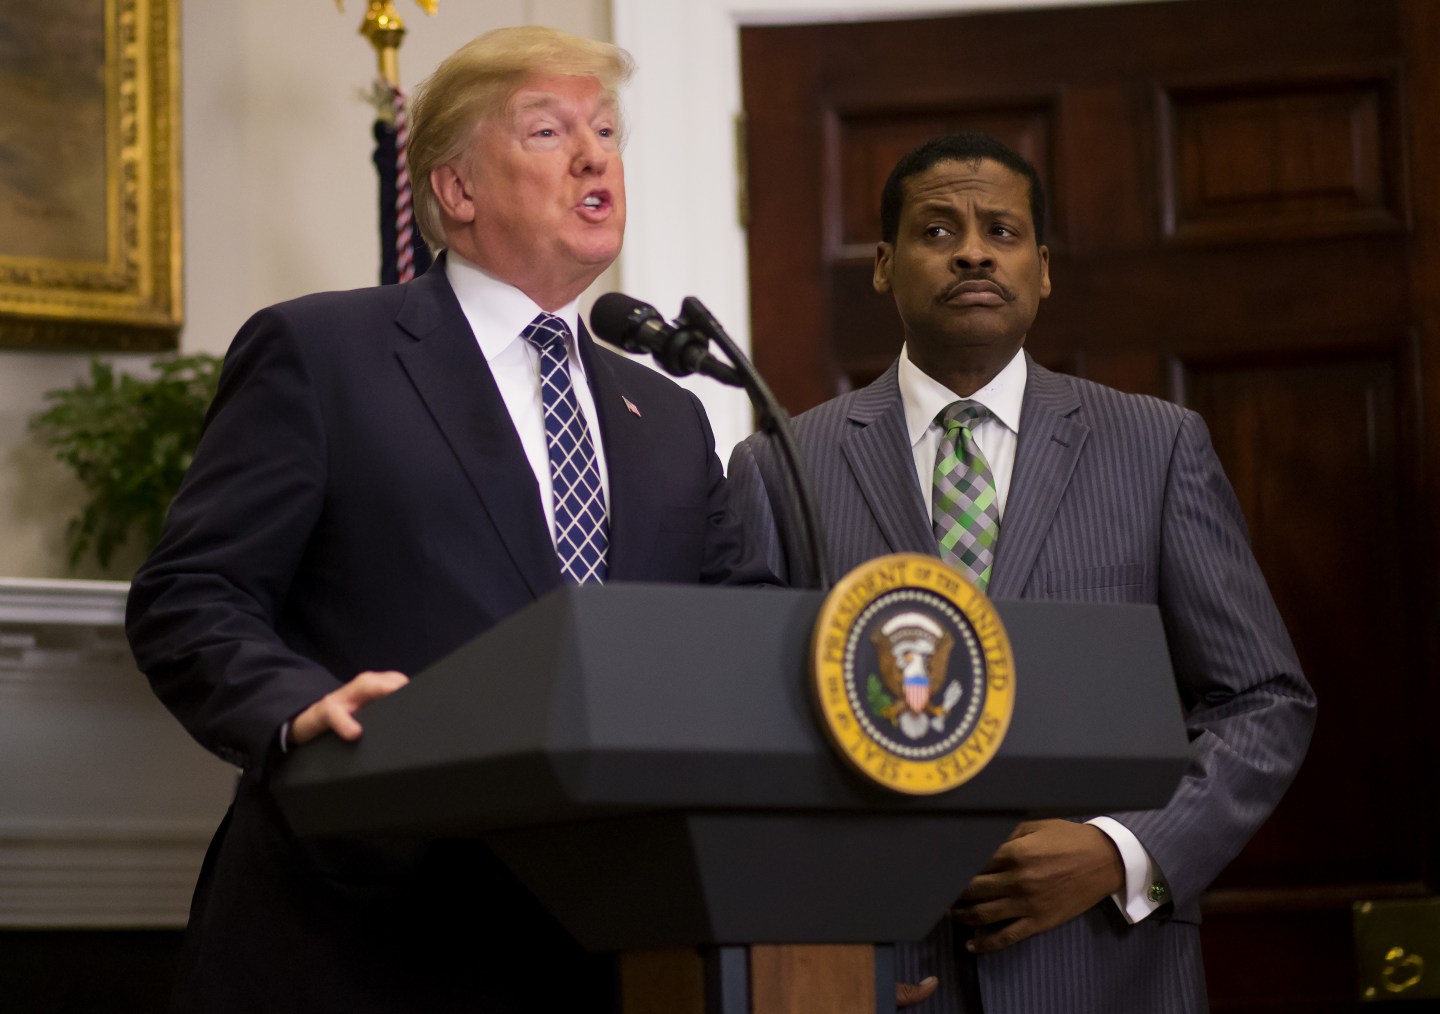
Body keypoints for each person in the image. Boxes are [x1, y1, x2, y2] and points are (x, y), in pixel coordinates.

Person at [127, 26, 771, 1014]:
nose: (597, 154)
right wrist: (298, 709)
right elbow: (190, 595)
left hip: (607, 942)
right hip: (361, 932)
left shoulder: (672, 417)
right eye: (550, 131)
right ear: (457, 191)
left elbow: (731, 638)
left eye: (605, 130)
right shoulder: (325, 353)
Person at [726, 132, 1315, 1013]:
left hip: (1109, 967)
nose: (971, 249)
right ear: (883, 267)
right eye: (936, 230)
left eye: (1000, 230)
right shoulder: (781, 465)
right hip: (884, 973)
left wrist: (1122, 851)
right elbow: (750, 740)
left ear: (1042, 270)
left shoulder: (1154, 448)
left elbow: (1265, 701)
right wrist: (837, 931)